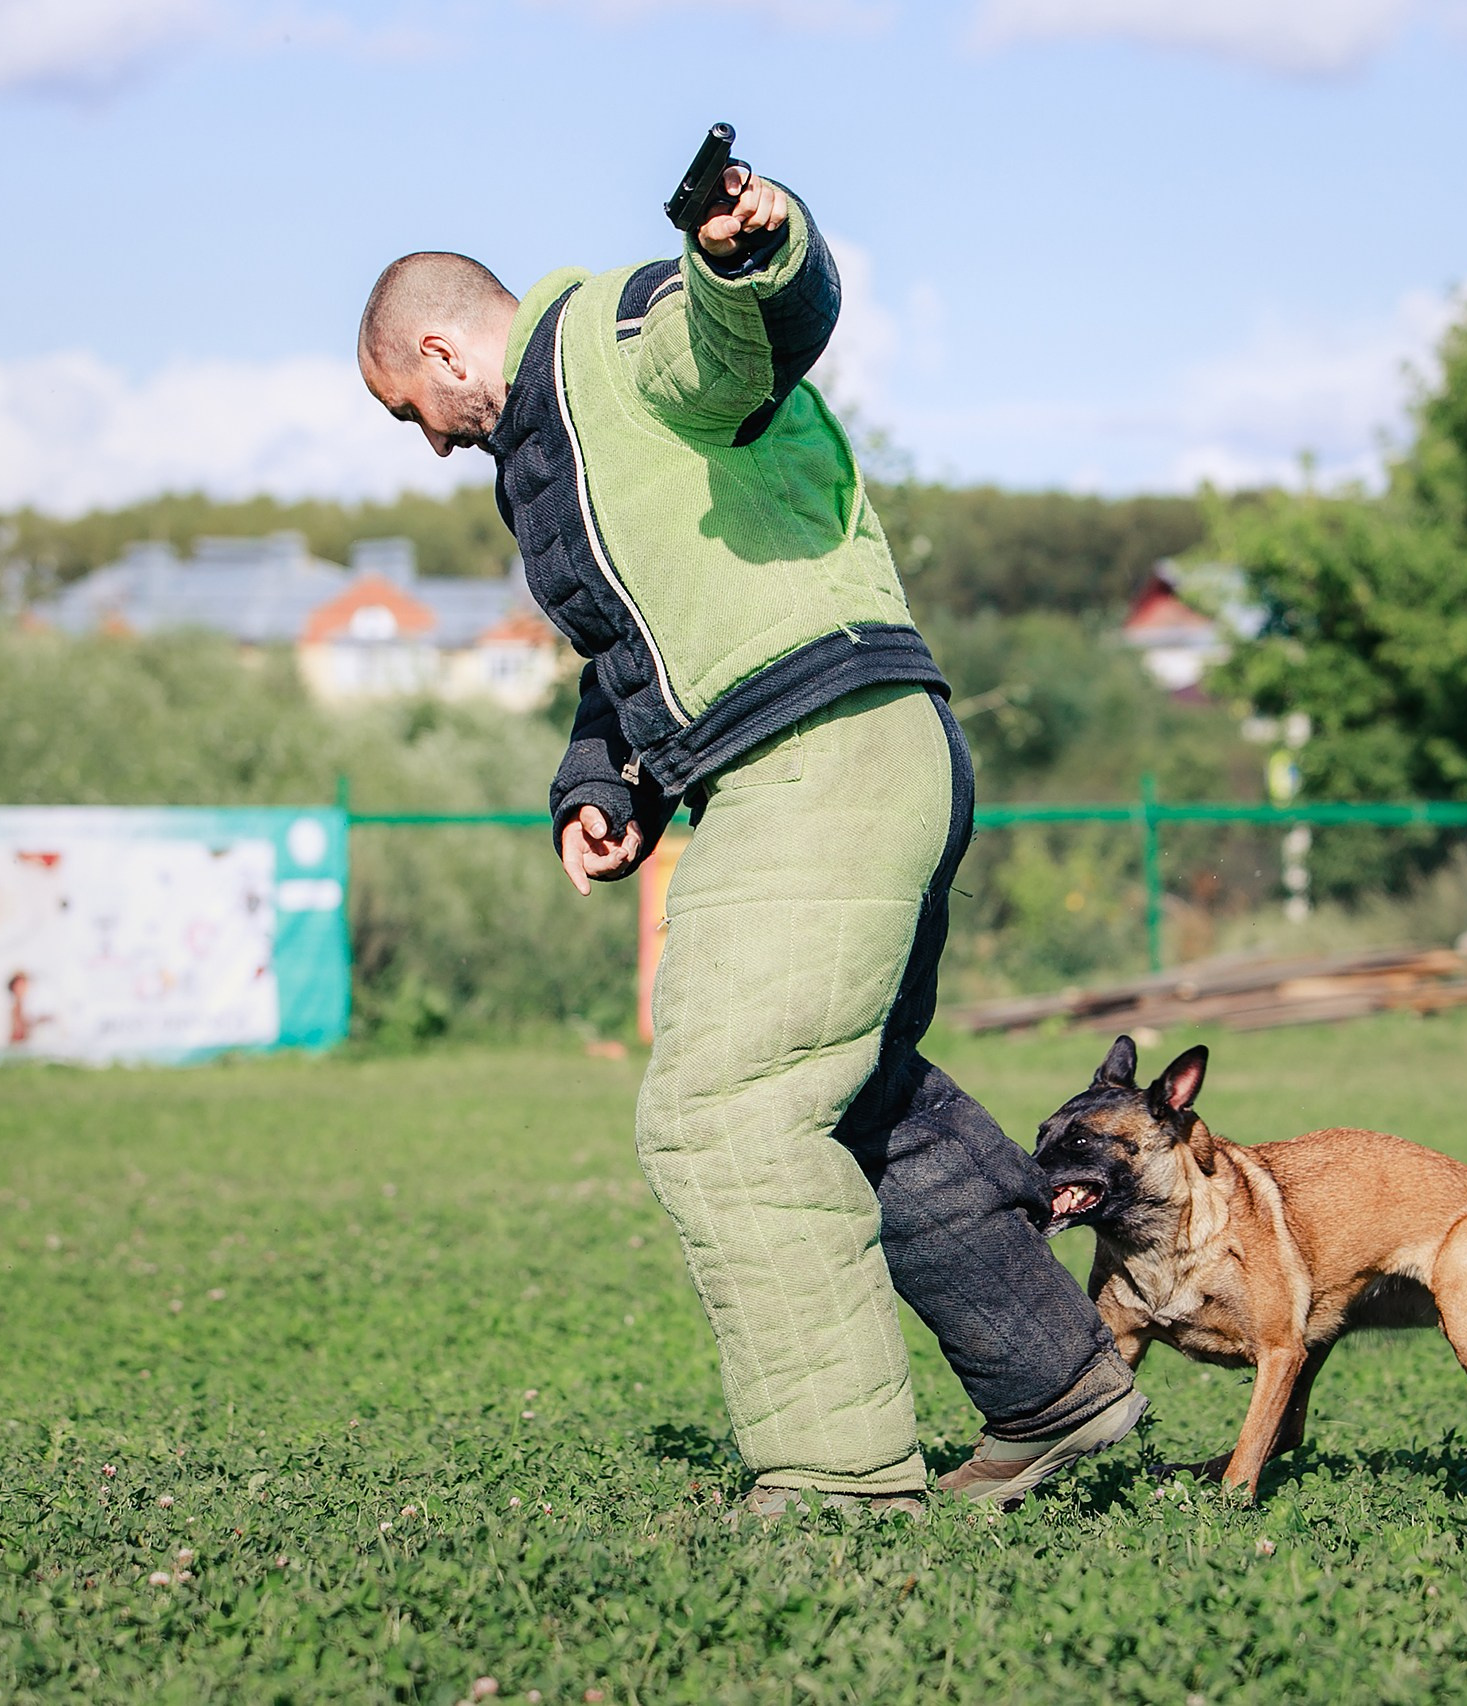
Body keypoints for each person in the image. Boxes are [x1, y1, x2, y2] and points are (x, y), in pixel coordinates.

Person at [358, 161, 1145, 1512]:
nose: (428, 439)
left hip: (816, 756)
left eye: (410, 410)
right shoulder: (551, 449)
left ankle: (840, 1482)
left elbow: (731, 341)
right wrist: (602, 783)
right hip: (871, 740)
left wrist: (749, 254)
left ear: (439, 345)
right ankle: (1053, 1390)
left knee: (725, 1115)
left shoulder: (613, 331)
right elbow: (631, 647)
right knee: (857, 1090)